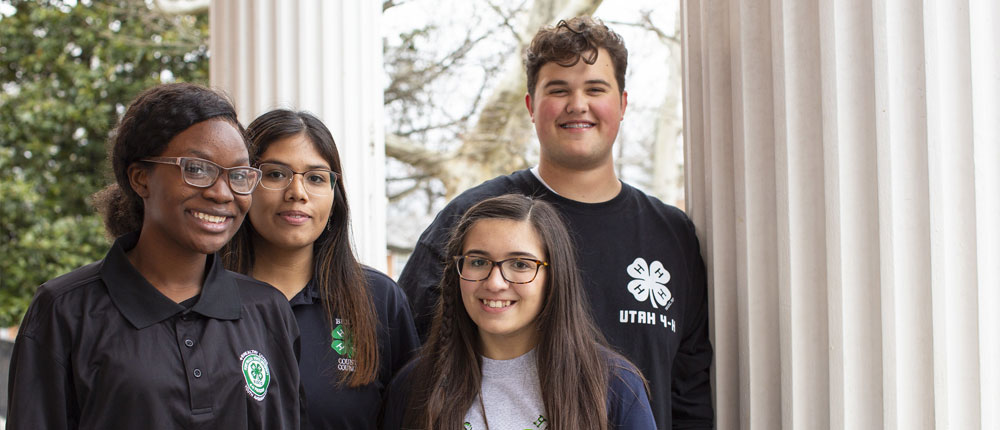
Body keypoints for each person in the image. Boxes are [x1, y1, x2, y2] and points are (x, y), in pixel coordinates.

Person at [397, 17, 713, 429]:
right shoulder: (476, 220)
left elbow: (690, 393)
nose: (577, 104)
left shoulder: (672, 235)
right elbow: (408, 356)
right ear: (531, 106)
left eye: (595, 89)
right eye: (558, 90)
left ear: (622, 103)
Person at [6, 83, 304, 429]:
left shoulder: (268, 311)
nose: (222, 193)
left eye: (238, 175)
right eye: (196, 169)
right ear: (140, 179)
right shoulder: (64, 311)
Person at [382, 194, 655, 429]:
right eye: (478, 261)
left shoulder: (614, 386)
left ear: (554, 276)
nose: (495, 283)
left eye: (520, 264)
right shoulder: (415, 386)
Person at [222, 109, 419, 429]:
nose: (297, 192)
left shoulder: (379, 300)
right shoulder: (203, 295)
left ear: (334, 196)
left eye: (315, 178)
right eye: (275, 174)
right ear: (245, 184)